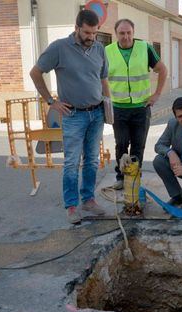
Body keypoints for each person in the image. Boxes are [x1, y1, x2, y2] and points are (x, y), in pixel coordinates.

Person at [29, 9, 108, 224]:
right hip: (73, 115)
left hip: (96, 114)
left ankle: (89, 200)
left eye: (94, 33)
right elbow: (35, 72)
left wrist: (108, 107)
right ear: (76, 28)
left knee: (91, 160)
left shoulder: (100, 49)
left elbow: (103, 80)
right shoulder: (59, 48)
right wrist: (51, 102)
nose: (91, 37)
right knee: (72, 162)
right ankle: (72, 206)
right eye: (86, 33)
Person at [105, 18, 167, 190]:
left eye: (129, 33)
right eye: (122, 33)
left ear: (133, 33)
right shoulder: (107, 51)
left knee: (138, 145)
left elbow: (162, 69)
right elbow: (98, 77)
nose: (125, 36)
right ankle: (121, 177)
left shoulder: (144, 48)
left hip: (141, 108)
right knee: (122, 144)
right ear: (116, 34)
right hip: (119, 109)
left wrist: (156, 94)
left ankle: (134, 177)